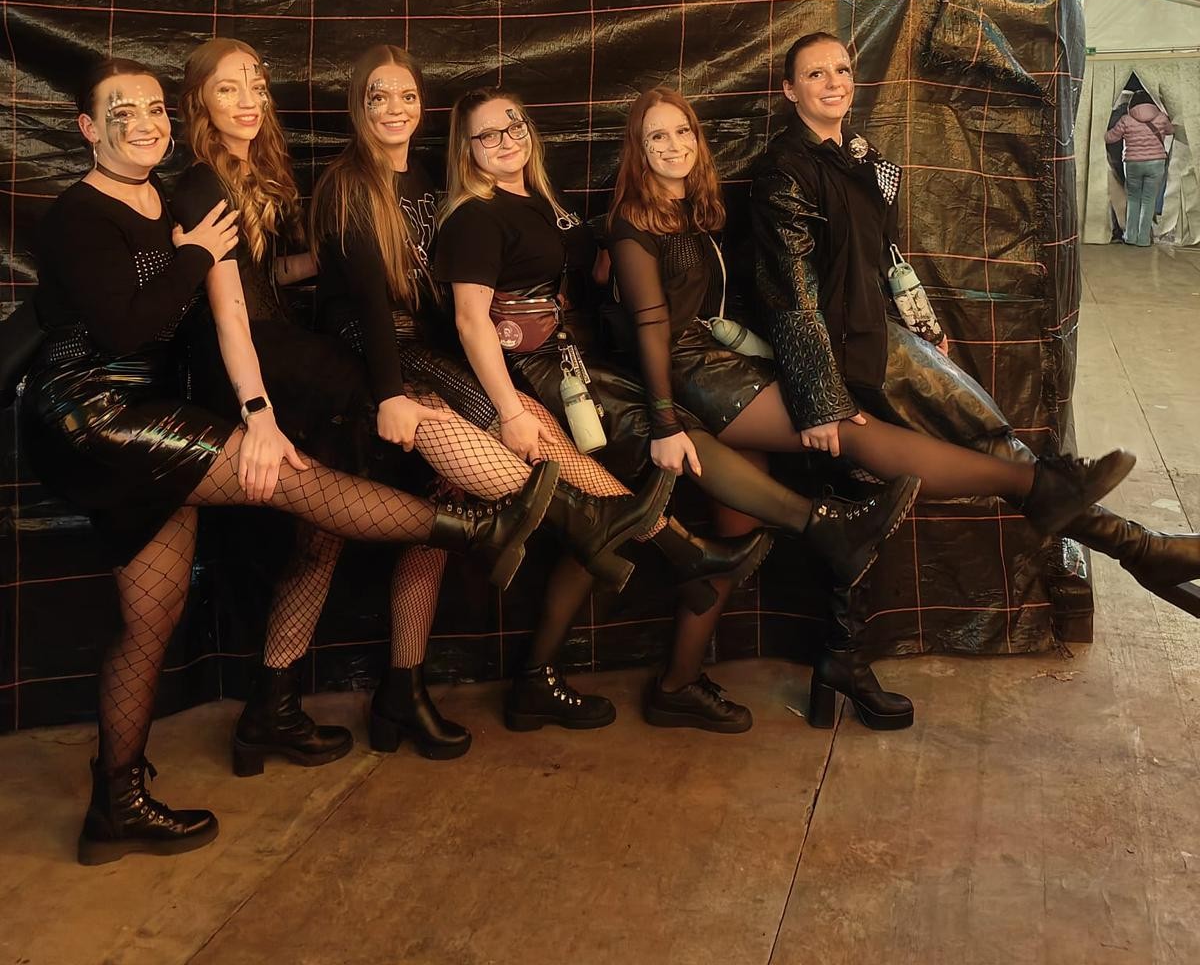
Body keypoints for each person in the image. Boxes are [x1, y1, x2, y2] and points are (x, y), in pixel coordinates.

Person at [16, 57, 554, 865]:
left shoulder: (163, 197)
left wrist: (307, 261)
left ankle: (114, 805)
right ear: (89, 129)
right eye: (122, 112)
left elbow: (237, 287)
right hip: (92, 412)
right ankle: (479, 531)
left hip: (154, 414)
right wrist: (247, 384)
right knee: (302, 485)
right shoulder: (81, 214)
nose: (144, 123)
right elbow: (129, 327)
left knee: (151, 616)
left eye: (153, 109)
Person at [436, 88, 920, 732]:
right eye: (487, 135)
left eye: (514, 125)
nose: (506, 140)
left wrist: (600, 258)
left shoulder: (543, 203)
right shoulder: (476, 216)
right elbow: (472, 321)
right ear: (465, 149)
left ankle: (552, 679)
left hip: (586, 367)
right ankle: (821, 525)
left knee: (602, 520)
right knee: (639, 473)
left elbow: (572, 269)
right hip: (543, 378)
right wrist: (512, 412)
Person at [751, 31, 1199, 719]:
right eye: (816, 74)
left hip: (886, 335)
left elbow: (886, 255)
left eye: (841, 68)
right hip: (847, 357)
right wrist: (819, 402)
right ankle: (1142, 550)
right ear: (790, 90)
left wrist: (924, 322)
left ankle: (841, 664)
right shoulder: (784, 171)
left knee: (886, 500)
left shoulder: (861, 155)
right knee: (982, 452)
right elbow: (791, 294)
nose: (834, 82)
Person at [309, 44, 673, 747]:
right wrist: (391, 393)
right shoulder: (350, 183)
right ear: (358, 105)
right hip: (373, 362)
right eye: (379, 96)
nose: (395, 108)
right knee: (350, 538)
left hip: (427, 352)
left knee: (440, 518)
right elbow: (370, 305)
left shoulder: (424, 180)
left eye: (407, 95)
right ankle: (624, 531)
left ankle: (402, 691)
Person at [1106, 96, 1174, 246]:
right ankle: (1144, 239)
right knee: (1148, 200)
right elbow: (1171, 130)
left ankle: (1130, 236)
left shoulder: (1126, 120)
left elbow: (1111, 137)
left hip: (1133, 163)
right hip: (1156, 163)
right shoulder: (1161, 118)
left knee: (1133, 199)